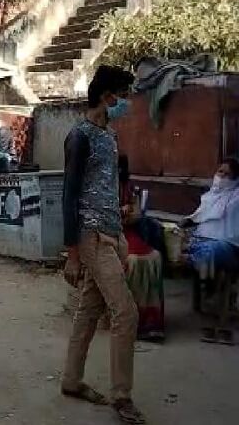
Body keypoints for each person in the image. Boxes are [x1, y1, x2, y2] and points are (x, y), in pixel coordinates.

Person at [61, 65, 145, 425]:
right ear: (108, 95)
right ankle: (122, 396)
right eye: (123, 95)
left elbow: (109, 188)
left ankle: (71, 380)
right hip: (91, 235)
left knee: (89, 311)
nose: (125, 102)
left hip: (111, 233)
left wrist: (123, 233)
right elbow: (69, 196)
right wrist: (72, 254)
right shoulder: (78, 136)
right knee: (125, 312)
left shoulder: (109, 136)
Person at [182, 158, 239, 345]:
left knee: (209, 253)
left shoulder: (237, 196)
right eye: (219, 172)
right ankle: (216, 317)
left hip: (229, 247)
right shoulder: (210, 196)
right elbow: (199, 215)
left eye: (226, 173)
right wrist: (187, 221)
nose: (220, 176)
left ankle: (213, 307)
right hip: (204, 243)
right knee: (206, 257)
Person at [119, 155, 165, 342]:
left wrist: (128, 212)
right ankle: (132, 320)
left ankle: (151, 322)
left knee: (153, 257)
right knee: (134, 261)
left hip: (127, 232)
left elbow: (136, 215)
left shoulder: (128, 187)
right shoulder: (96, 187)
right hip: (106, 236)